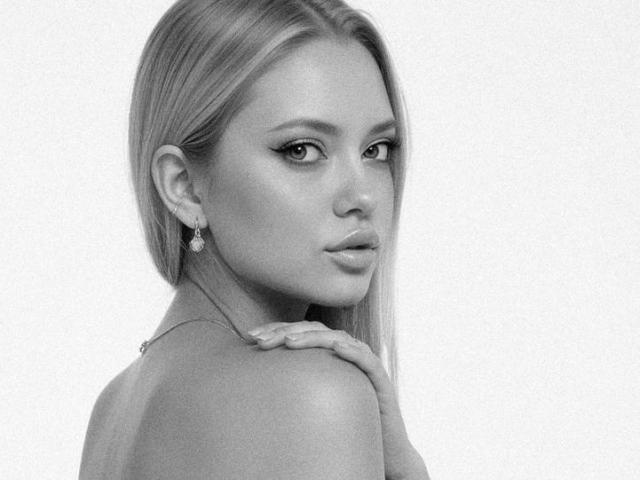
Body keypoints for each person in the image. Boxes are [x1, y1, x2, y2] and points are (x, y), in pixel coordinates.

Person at [80, 0, 429, 478]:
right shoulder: (315, 393)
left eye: (376, 149)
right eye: (301, 150)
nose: (362, 196)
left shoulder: (115, 407)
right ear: (184, 186)